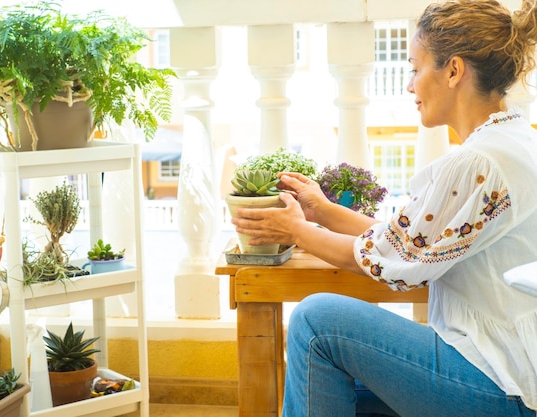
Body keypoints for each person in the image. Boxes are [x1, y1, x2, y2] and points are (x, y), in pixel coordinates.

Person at [230, 0, 537, 416]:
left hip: (504, 385)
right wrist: (321, 210)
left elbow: (394, 259)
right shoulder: (513, 141)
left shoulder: (478, 163)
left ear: (453, 71)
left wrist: (298, 232)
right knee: (325, 378)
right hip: (512, 372)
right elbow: (408, 242)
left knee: (317, 322)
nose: (410, 85)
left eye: (415, 67)